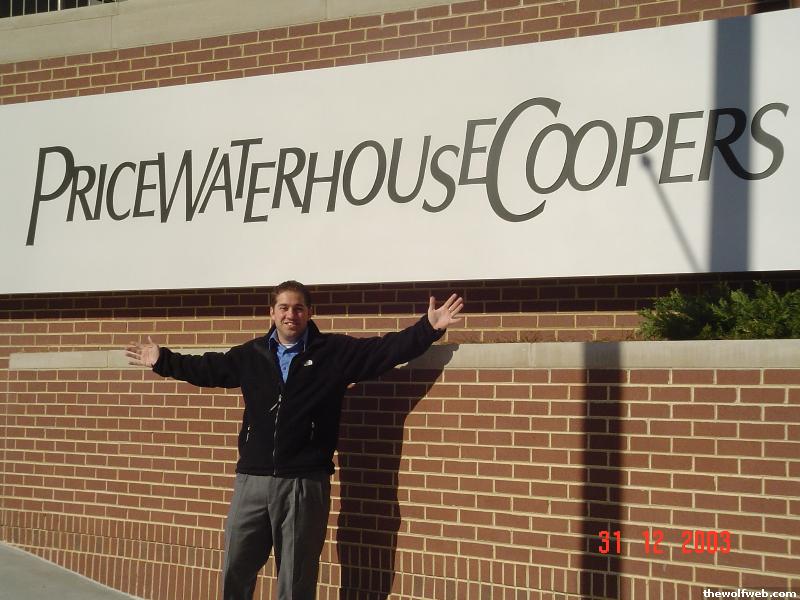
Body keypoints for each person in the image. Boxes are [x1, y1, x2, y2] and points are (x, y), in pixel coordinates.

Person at [125, 280, 463, 600]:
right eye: (284, 308)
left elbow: (384, 350)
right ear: (272, 313)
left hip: (304, 482)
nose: (291, 314)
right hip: (252, 481)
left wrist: (429, 328)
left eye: (299, 308)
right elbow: (207, 368)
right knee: (236, 569)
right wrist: (162, 361)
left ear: (309, 312)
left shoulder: (333, 352)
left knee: (295, 577)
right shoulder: (252, 354)